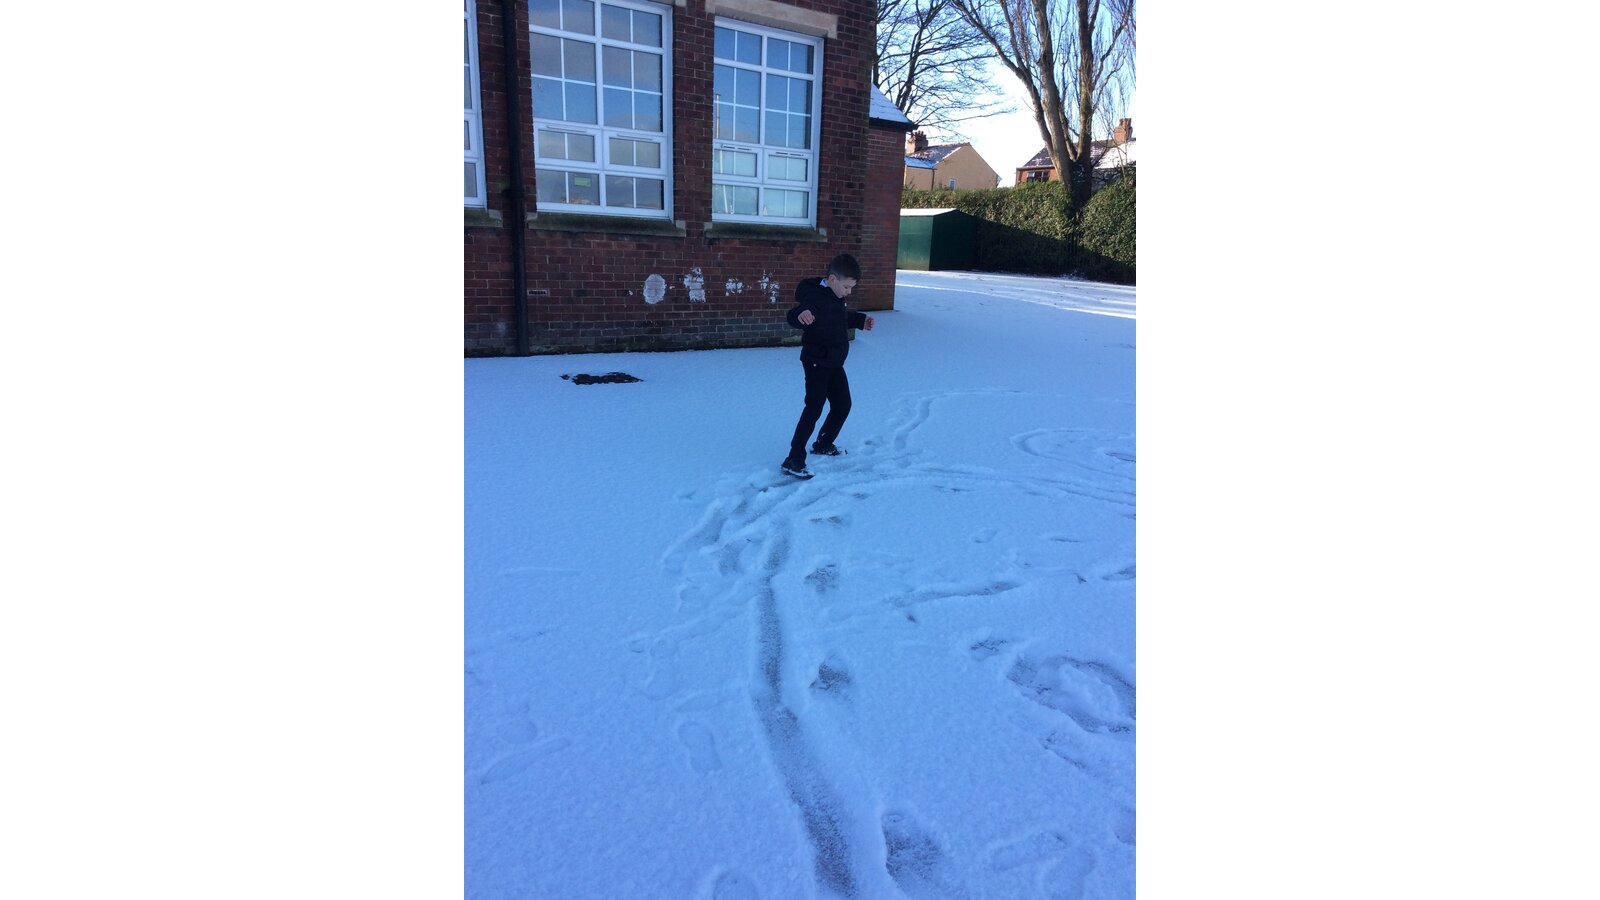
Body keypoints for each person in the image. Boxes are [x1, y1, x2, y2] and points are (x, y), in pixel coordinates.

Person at [780, 253, 876, 479]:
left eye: (851, 288)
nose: (848, 292)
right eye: (846, 287)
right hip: (816, 362)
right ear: (832, 279)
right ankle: (793, 458)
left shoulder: (835, 296)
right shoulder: (814, 297)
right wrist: (800, 315)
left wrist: (860, 320)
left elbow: (837, 318)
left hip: (834, 362)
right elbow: (794, 315)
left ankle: (823, 443)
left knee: (843, 404)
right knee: (814, 408)